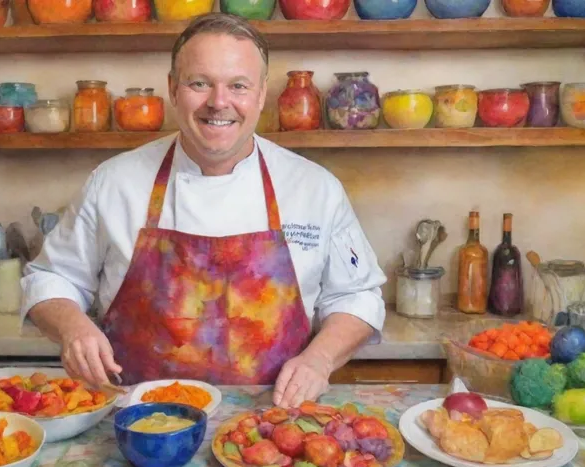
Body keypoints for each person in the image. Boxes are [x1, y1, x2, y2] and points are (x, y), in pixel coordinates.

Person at [21, 12, 387, 408]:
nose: (219, 102)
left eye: (238, 85)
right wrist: (73, 328)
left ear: (261, 94)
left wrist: (320, 358)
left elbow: (357, 297)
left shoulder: (315, 189)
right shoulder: (113, 182)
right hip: (138, 422)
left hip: (272, 424)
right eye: (200, 83)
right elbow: (51, 279)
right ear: (173, 89)